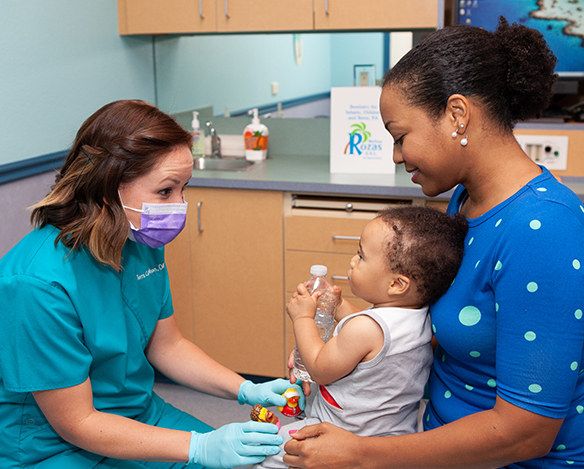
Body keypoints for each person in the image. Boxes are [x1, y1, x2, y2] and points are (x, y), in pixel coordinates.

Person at [284, 18, 584, 469]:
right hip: (432, 437)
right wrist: (344, 342)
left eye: (401, 137)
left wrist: (360, 452)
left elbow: (524, 434)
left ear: (457, 114)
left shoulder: (545, 229)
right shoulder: (466, 200)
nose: (396, 156)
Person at [0, 99, 304, 469]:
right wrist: (200, 447)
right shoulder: (35, 284)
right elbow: (77, 422)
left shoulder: (139, 241)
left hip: (138, 413)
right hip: (52, 443)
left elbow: (168, 345)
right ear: (107, 189)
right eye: (165, 191)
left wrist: (244, 389)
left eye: (183, 189)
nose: (179, 206)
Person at [257, 206, 467, 469]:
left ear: (396, 285)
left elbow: (320, 368)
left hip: (342, 434)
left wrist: (302, 319)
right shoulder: (419, 316)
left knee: (265, 453)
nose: (353, 261)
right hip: (391, 435)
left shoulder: (365, 329)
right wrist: (338, 305)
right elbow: (375, 337)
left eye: (361, 256)